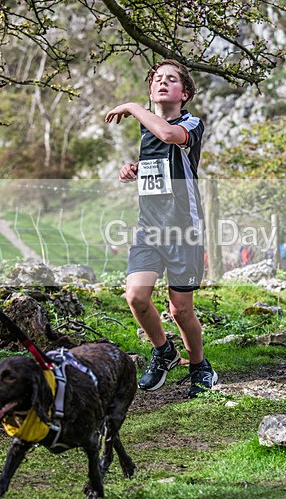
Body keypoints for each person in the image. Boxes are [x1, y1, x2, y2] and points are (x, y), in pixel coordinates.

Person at [105, 59, 217, 398]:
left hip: (183, 229)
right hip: (149, 228)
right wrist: (135, 169)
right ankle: (165, 351)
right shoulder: (146, 129)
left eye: (171, 80)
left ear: (184, 93)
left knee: (180, 309)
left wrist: (132, 106)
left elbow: (169, 136)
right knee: (136, 297)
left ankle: (199, 366)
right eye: (157, 79)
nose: (163, 83)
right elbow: (161, 166)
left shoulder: (191, 123)